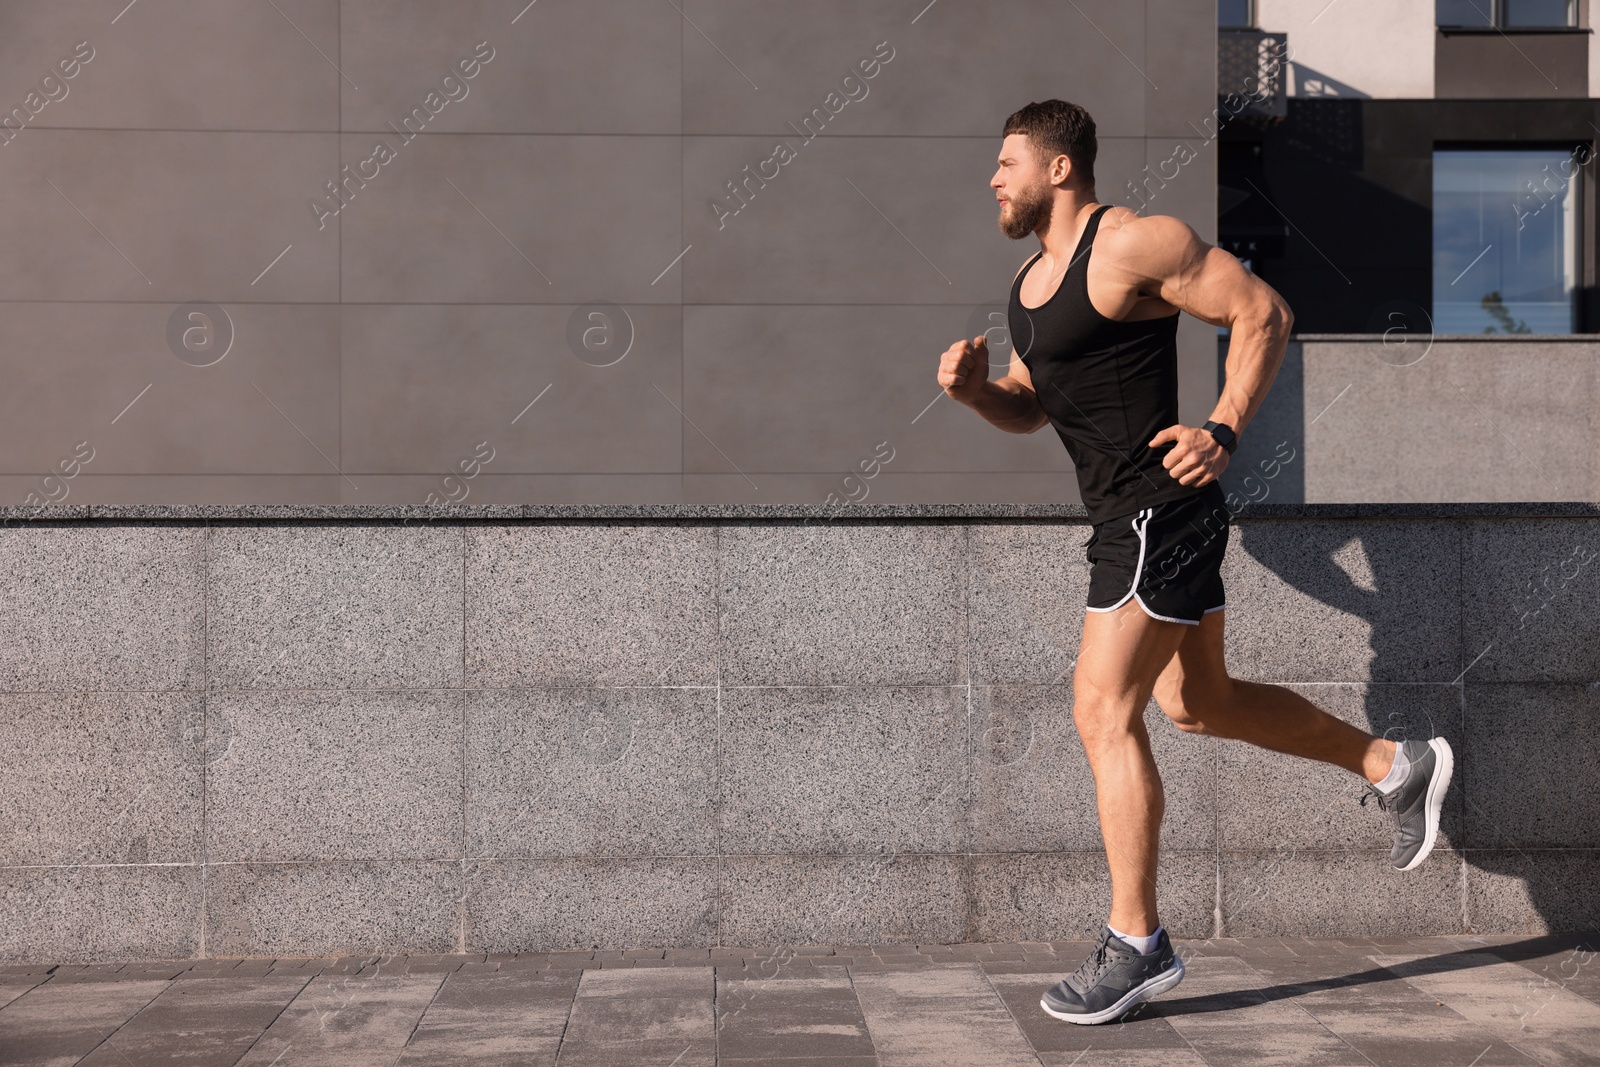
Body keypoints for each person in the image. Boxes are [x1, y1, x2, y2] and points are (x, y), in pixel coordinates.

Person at [935, 99, 1454, 1026]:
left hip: (1157, 513)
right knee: (1198, 703)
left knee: (1101, 708)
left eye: (1007, 161)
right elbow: (1035, 404)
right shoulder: (1027, 283)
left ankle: (1136, 943)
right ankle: (1393, 762)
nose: (991, 179)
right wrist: (981, 394)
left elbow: (1264, 312)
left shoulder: (1135, 244)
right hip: (1124, 521)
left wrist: (1222, 429)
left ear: (1059, 168)